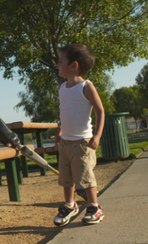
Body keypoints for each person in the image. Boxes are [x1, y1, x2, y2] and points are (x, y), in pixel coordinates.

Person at [53, 44, 106, 226]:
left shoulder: (86, 87)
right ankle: (70, 205)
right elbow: (64, 112)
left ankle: (94, 207)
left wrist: (97, 136)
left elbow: (100, 111)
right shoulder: (62, 88)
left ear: (73, 65)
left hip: (82, 142)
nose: (57, 65)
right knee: (66, 176)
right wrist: (59, 132)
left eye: (61, 61)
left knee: (85, 176)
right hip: (66, 142)